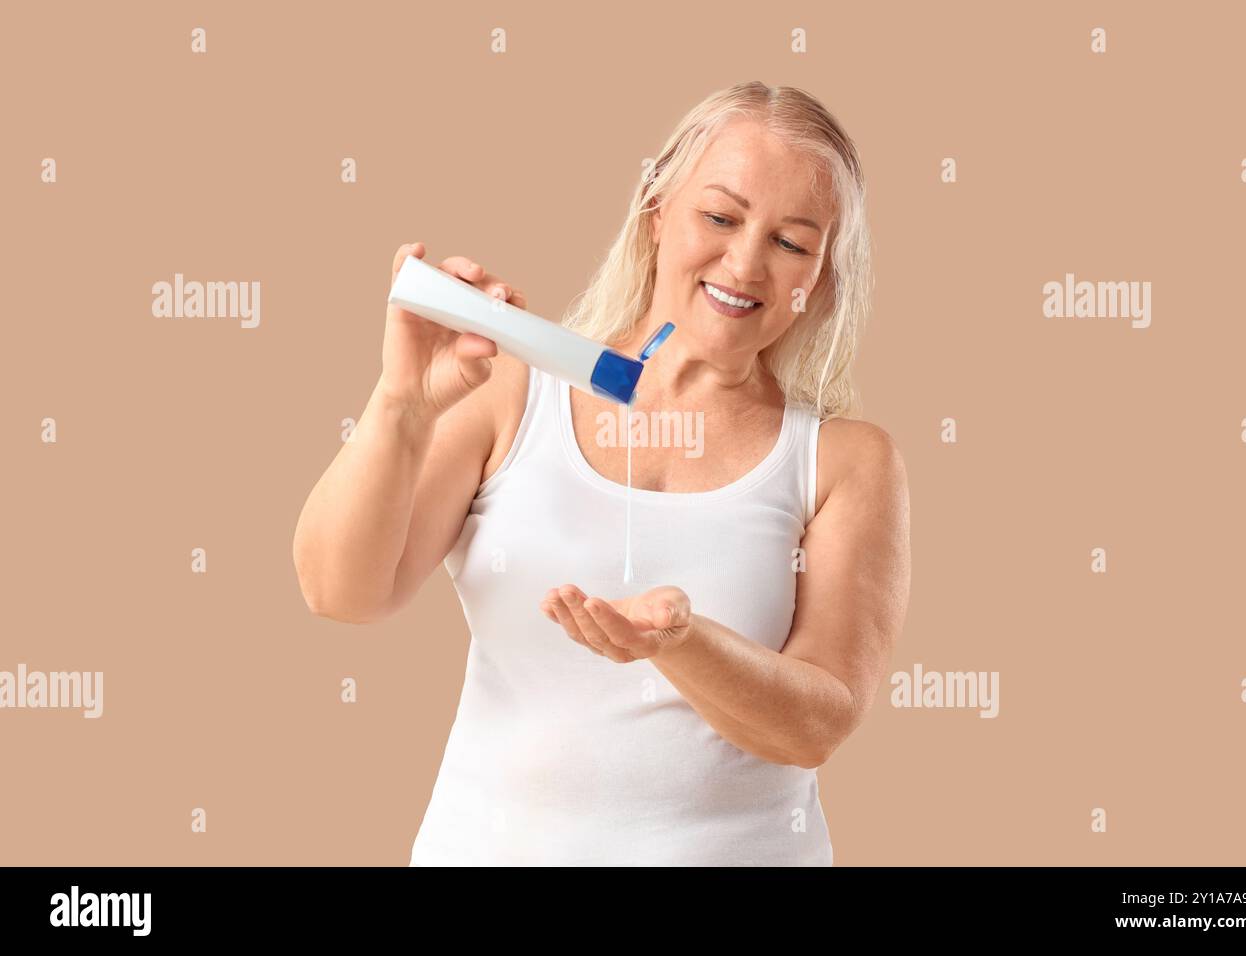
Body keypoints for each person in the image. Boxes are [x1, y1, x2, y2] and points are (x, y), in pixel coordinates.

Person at [293, 80, 911, 866]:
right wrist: (402, 406)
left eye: (792, 243)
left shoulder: (845, 461)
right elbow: (339, 591)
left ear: (818, 278)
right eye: (719, 217)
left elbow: (815, 725)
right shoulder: (509, 390)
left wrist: (680, 644)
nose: (747, 262)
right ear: (657, 211)